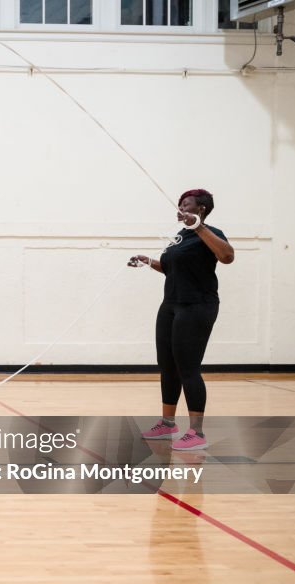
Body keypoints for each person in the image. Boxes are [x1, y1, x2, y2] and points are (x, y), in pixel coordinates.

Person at [129, 189, 234, 451]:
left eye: (186, 205)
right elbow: (170, 268)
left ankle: (196, 433)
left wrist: (199, 228)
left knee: (188, 367)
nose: (180, 208)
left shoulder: (210, 233)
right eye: (179, 205)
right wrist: (148, 261)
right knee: (167, 365)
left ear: (201, 209)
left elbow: (227, 256)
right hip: (171, 306)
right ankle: (167, 424)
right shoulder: (179, 238)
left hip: (197, 306)